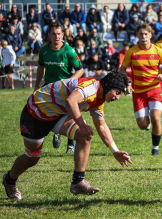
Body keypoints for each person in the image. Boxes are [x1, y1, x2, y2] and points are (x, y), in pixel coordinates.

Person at [2, 71, 133, 200]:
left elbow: (102, 126)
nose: (117, 97)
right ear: (109, 85)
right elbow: (71, 101)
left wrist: (115, 151)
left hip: (58, 114)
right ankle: (9, 180)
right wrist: (82, 124)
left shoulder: (99, 100)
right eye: (117, 92)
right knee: (32, 158)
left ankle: (78, 182)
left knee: (85, 135)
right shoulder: (91, 87)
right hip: (36, 113)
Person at [119, 23, 162, 156]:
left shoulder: (157, 51)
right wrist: (126, 84)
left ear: (150, 35)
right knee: (143, 125)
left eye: (146, 34)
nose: (143, 37)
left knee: (156, 118)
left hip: (155, 89)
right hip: (138, 92)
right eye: (141, 34)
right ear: (137, 35)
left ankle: (155, 147)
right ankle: (147, 122)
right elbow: (122, 69)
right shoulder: (131, 52)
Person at [35, 21, 84, 154]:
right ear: (49, 35)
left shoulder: (69, 51)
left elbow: (80, 70)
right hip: (49, 88)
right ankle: (55, 131)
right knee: (46, 114)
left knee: (70, 114)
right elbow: (40, 67)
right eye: (54, 34)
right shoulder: (44, 51)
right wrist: (36, 85)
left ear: (63, 35)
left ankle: (70, 144)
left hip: (66, 88)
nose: (56, 37)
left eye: (59, 34)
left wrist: (69, 82)